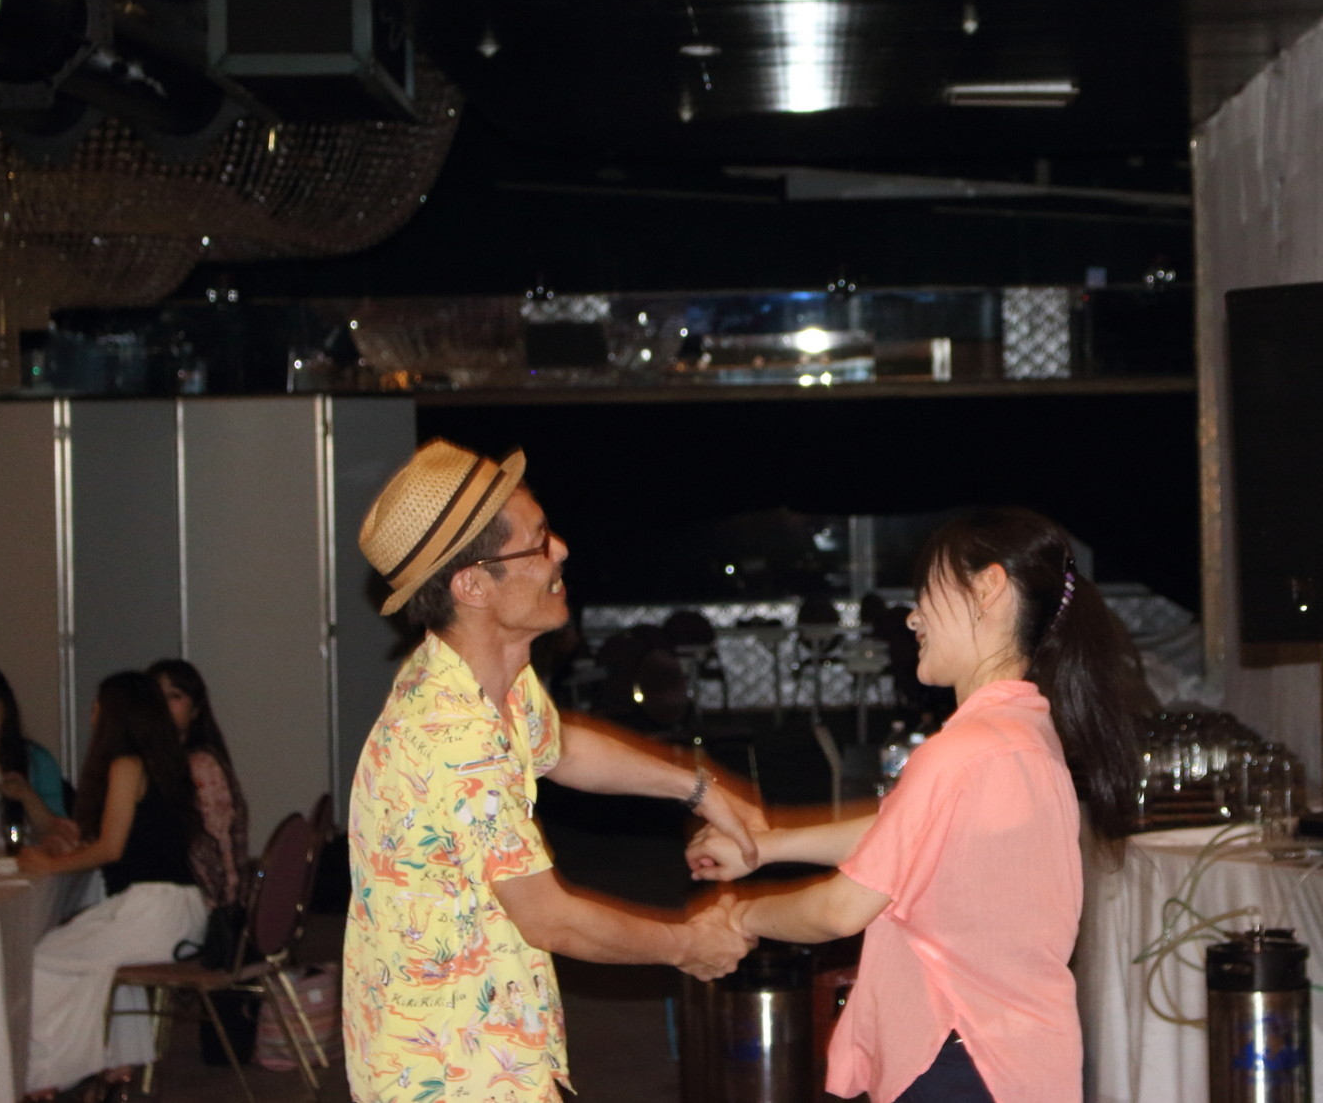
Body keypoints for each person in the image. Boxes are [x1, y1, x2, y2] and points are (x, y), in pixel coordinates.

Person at [345, 439, 764, 1103]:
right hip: (451, 1072)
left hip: (490, 1043)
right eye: (537, 543)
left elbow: (561, 748)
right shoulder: (451, 733)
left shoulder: (484, 675)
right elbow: (550, 919)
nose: (561, 550)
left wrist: (699, 787)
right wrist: (687, 944)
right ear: (473, 585)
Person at [690, 507, 1152, 1103]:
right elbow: (907, 835)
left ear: (986, 588)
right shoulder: (1022, 733)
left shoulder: (965, 751)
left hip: (963, 1061)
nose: (912, 617)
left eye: (925, 594)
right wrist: (764, 846)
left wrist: (737, 916)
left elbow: (840, 909)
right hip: (1014, 1059)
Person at [20, 671, 206, 1099]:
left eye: (97, 707)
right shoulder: (163, 763)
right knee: (93, 952)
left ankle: (47, 1076)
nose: (92, 715)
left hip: (154, 909)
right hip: (178, 907)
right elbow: (131, 840)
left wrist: (50, 864)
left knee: (44, 958)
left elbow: (111, 848)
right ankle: (117, 1062)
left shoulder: (126, 764)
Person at [148, 658, 251, 909]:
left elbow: (218, 850)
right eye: (156, 696)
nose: (163, 705)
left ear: (195, 710)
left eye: (175, 696)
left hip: (207, 903)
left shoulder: (201, 766)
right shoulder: (152, 764)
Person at [0, 666, 72, 848]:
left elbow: (61, 834)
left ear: (5, 708)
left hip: (24, 860)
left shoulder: (36, 760)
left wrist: (27, 795)